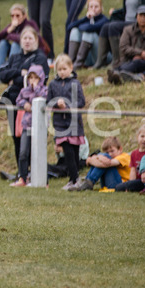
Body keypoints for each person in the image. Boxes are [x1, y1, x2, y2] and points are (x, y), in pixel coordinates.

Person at [0, 26, 49, 177]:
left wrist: (15, 78)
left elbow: (38, 79)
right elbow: (2, 75)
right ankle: (21, 172)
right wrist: (20, 72)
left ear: (36, 40)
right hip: (13, 102)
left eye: (30, 38)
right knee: (16, 136)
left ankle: (33, 171)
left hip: (30, 104)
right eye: (24, 38)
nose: (27, 41)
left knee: (31, 137)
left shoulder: (40, 58)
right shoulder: (14, 57)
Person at [47, 55, 86, 190]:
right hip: (60, 124)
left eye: (64, 69)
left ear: (71, 68)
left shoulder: (76, 83)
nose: (62, 72)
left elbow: (81, 101)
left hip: (74, 122)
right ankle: (74, 178)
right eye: (59, 69)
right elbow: (48, 101)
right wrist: (57, 104)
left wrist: (68, 106)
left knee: (75, 152)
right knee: (67, 152)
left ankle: (74, 179)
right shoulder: (52, 84)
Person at [12, 64, 48, 187]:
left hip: (40, 127)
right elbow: (18, 100)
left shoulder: (44, 90)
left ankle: (41, 179)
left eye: (36, 78)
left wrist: (36, 88)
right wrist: (25, 104)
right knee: (23, 152)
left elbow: (44, 98)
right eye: (30, 78)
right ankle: (22, 177)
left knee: (38, 153)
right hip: (27, 125)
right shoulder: (24, 91)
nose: (33, 81)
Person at [107, 5, 145, 84]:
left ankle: (117, 73)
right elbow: (123, 47)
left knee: (138, 62)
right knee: (131, 62)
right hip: (128, 60)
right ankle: (118, 74)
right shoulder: (128, 30)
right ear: (136, 16)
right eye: (140, 15)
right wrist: (139, 53)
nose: (143, 18)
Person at [0, 4, 44, 75]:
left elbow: (21, 39)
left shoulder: (30, 24)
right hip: (18, 54)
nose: (15, 18)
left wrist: (9, 35)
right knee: (3, 43)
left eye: (17, 15)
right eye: (12, 16)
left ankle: (11, 71)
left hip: (30, 53)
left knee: (15, 44)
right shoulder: (12, 26)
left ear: (24, 15)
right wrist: (9, 30)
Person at [114, 119, 145, 193]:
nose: (144, 139)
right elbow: (133, 170)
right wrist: (130, 183)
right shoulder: (134, 153)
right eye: (142, 136)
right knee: (118, 187)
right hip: (139, 180)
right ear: (138, 137)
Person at [67, 0, 107, 68]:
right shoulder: (87, 19)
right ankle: (70, 62)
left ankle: (78, 64)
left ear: (101, 8)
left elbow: (89, 28)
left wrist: (82, 26)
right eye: (91, 7)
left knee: (89, 33)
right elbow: (69, 27)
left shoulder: (104, 20)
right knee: (74, 31)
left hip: (101, 56)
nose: (93, 9)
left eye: (96, 7)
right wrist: (85, 18)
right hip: (88, 57)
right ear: (88, 8)